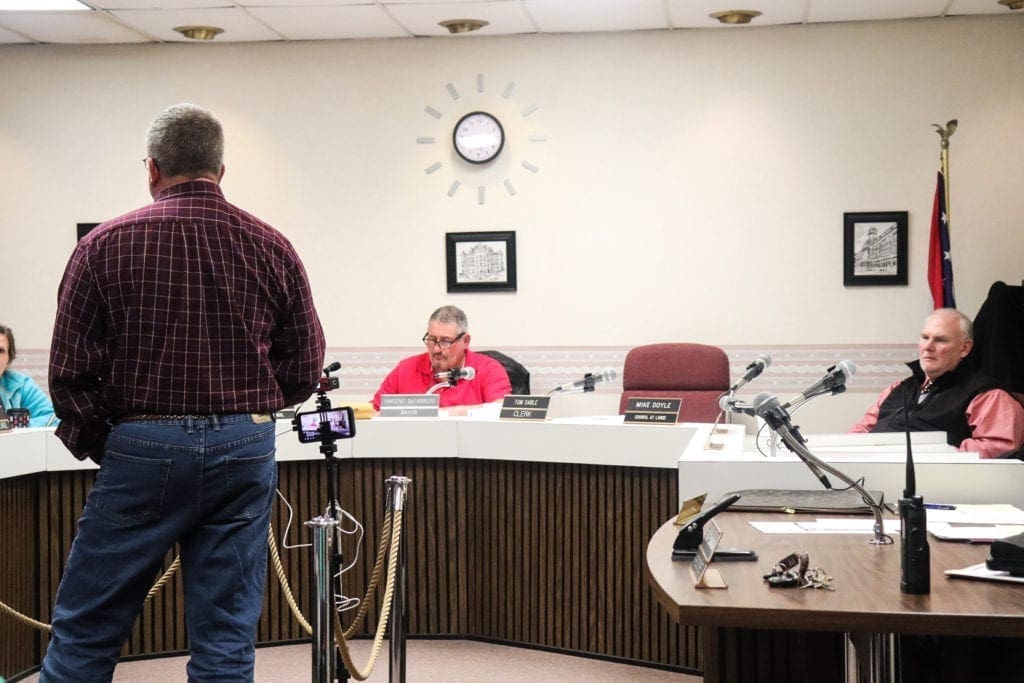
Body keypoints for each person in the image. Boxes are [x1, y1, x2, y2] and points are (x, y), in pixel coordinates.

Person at [43, 103, 325, 681]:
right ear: (221, 170)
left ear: (151, 168)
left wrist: (119, 443)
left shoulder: (102, 245)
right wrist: (250, 411)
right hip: (244, 447)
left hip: (141, 445)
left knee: (86, 631)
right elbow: (305, 364)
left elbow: (69, 372)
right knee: (226, 639)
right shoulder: (272, 245)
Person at [850, 308, 1024, 458]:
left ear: (964, 348)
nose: (928, 346)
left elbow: (998, 446)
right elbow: (862, 431)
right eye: (925, 338)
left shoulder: (987, 395)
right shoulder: (898, 388)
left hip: (939, 486)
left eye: (940, 340)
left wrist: (935, 456)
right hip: (874, 477)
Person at [371, 305, 511, 411]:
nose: (436, 349)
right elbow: (373, 412)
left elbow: (499, 410)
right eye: (432, 339)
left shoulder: (488, 369)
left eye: (445, 341)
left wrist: (450, 414)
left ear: (465, 341)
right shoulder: (406, 369)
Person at [0, 324, 57, 427]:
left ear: (9, 359)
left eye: (1, 351)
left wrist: (14, 426)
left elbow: (52, 418)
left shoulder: (20, 385)